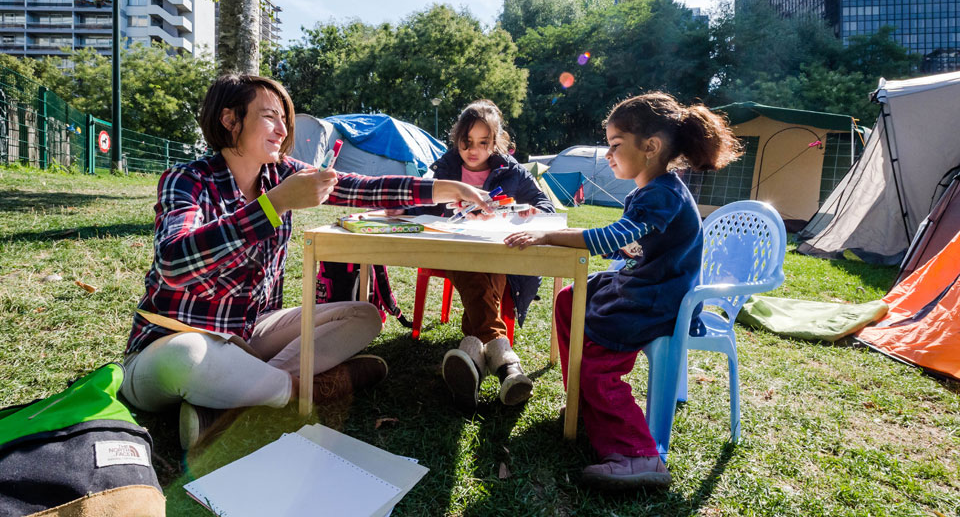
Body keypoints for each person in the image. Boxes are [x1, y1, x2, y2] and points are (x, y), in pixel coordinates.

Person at [120, 74, 488, 450]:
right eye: (269, 117)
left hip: (250, 333)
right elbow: (173, 263)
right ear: (230, 120)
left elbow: (359, 187)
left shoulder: (282, 173)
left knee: (364, 315)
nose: (282, 130)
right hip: (171, 339)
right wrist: (274, 204)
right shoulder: (187, 180)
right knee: (188, 356)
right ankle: (305, 390)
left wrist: (444, 188)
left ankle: (233, 397)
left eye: (285, 119)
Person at [504, 92, 741, 489]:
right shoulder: (652, 191)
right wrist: (568, 234)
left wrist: (550, 232)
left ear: (650, 147)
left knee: (599, 357)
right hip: (643, 281)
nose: (609, 155)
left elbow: (614, 235)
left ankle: (639, 455)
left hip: (658, 298)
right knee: (568, 301)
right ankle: (583, 402)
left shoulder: (663, 192)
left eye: (615, 145)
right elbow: (630, 244)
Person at [406, 100, 555, 410]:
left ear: (496, 141)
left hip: (495, 250)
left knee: (489, 266)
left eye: (483, 143)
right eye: (467, 142)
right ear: (457, 138)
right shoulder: (444, 166)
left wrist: (527, 211)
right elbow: (416, 204)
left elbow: (546, 207)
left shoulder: (510, 169)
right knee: (473, 263)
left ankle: (473, 355)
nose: (473, 150)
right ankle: (506, 363)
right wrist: (447, 210)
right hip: (451, 250)